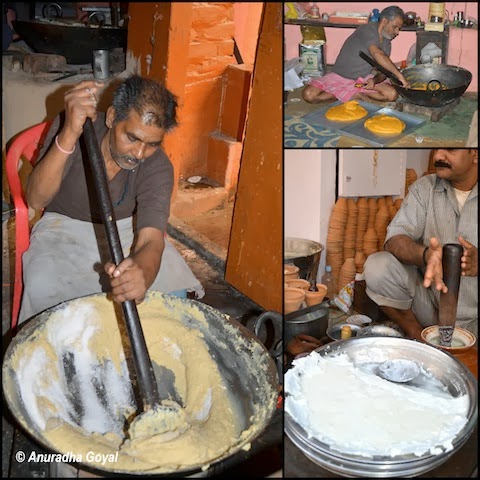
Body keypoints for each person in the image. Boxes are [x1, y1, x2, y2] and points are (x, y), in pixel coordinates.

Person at [19, 75, 204, 324]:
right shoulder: (77, 126)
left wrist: (142, 275)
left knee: (171, 300)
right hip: (62, 229)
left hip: (125, 229)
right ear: (111, 117)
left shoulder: (158, 166)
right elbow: (36, 198)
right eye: (132, 138)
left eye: (151, 144)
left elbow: (151, 239)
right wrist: (69, 135)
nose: (138, 154)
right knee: (48, 296)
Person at [363, 149, 478, 341]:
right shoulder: (425, 188)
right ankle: (418, 335)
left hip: (475, 316)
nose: (438, 156)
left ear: (475, 153)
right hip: (430, 307)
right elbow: (394, 239)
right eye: (437, 148)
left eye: (449, 149)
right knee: (378, 266)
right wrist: (425, 254)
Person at [302, 5, 409, 104]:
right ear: (385, 21)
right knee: (309, 95)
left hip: (362, 80)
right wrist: (399, 76)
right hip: (340, 77)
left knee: (392, 94)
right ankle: (352, 94)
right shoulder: (367, 29)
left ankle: (352, 94)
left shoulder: (387, 42)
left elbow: (383, 72)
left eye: (399, 28)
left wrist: (374, 80)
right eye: (395, 27)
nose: (397, 32)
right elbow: (377, 53)